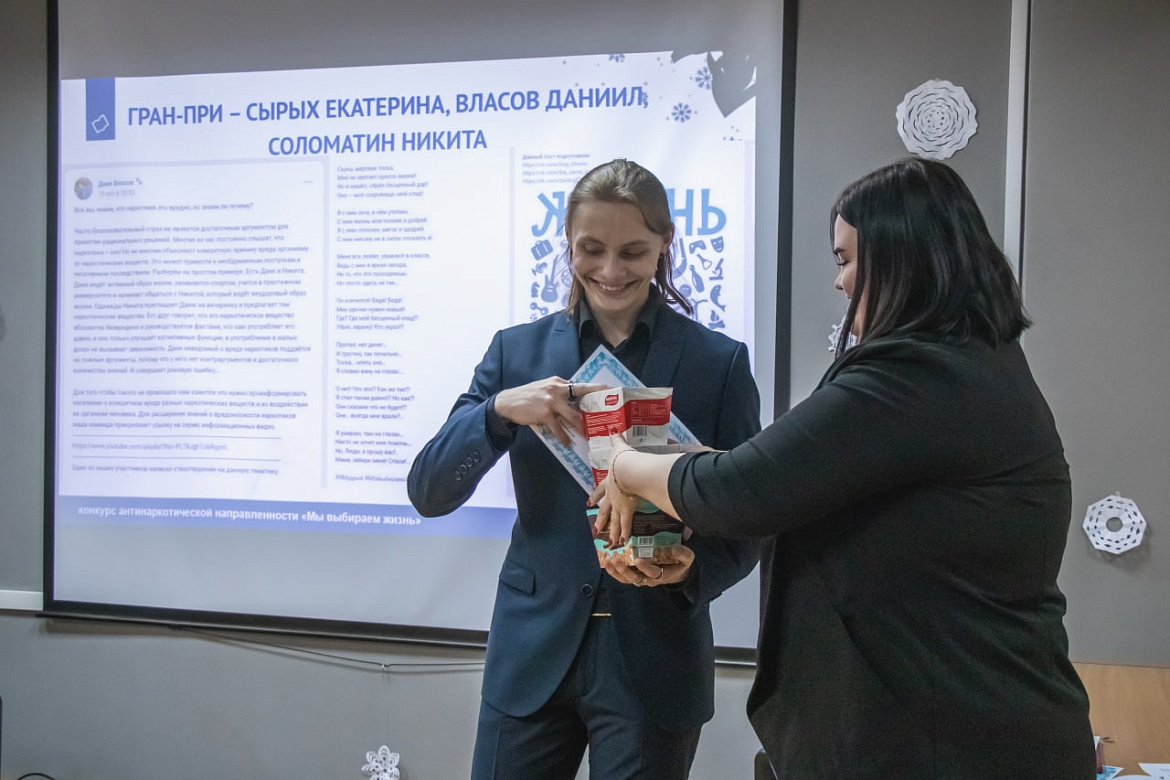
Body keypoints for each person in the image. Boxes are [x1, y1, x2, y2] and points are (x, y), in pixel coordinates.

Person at [593, 158, 1096, 778]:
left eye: (846, 259)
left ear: (902, 256)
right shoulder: (970, 365)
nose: (840, 281)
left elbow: (742, 490)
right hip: (960, 724)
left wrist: (625, 463)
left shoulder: (914, 376)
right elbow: (782, 478)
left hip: (948, 741)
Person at [407, 159, 762, 780]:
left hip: (655, 658)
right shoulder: (516, 353)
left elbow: (749, 517)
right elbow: (428, 491)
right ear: (568, 243)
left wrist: (690, 572)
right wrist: (497, 411)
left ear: (665, 244)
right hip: (531, 652)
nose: (610, 271)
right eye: (591, 249)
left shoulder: (718, 362)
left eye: (633, 252)